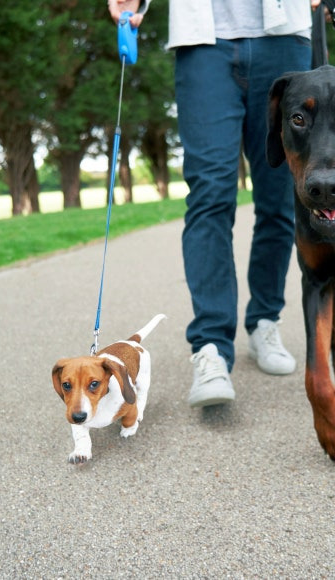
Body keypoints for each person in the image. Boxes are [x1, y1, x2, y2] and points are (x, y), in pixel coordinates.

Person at [107, 0, 319, 407]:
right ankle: (212, 348)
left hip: (284, 37)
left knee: (279, 196)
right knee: (209, 192)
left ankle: (264, 322)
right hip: (203, 39)